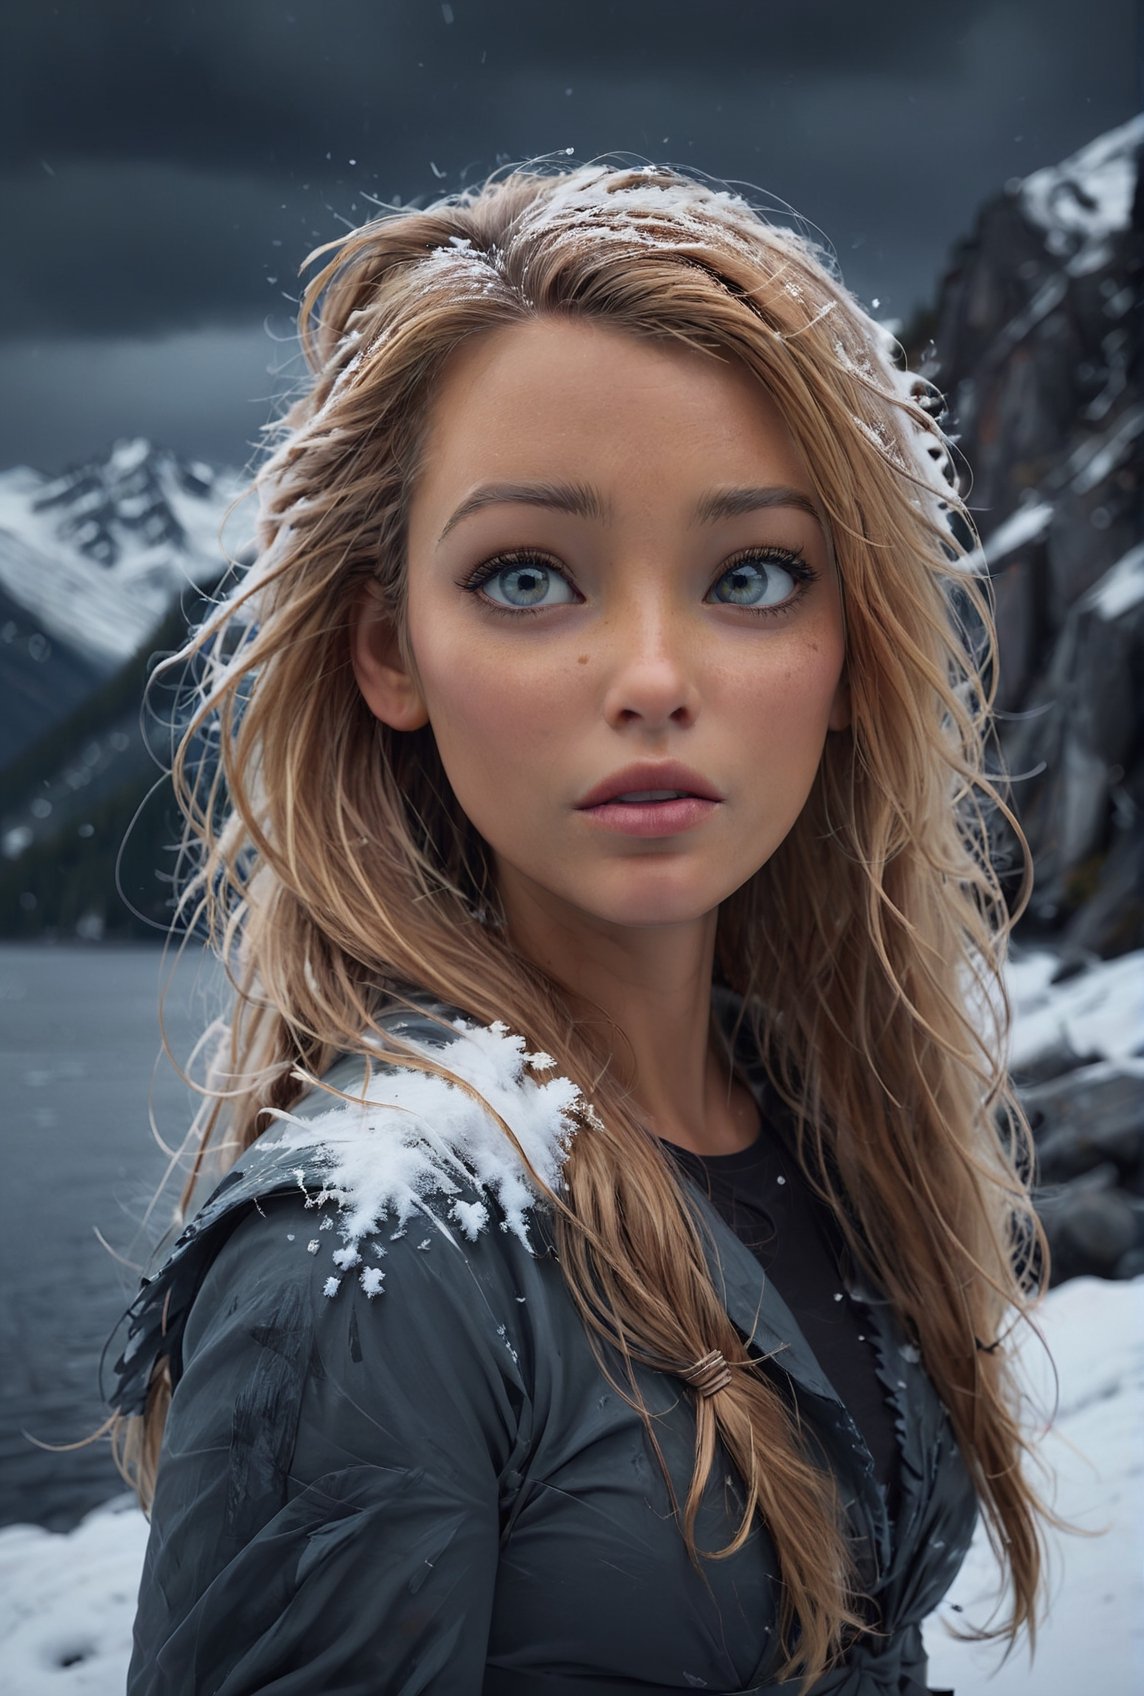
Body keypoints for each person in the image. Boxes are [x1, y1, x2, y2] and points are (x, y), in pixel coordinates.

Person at [106, 162, 1050, 1695]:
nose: (655, 675)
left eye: (753, 575)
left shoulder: (826, 1125)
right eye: (529, 576)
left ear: (847, 638)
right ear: (387, 651)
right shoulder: (379, 1263)